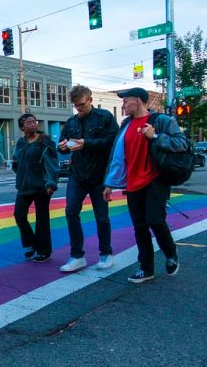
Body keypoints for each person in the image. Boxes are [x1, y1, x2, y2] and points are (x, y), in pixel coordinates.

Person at [103, 87, 187, 284]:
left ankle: (170, 252)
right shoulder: (125, 125)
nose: (123, 105)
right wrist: (109, 183)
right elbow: (117, 157)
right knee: (139, 227)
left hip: (155, 180)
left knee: (155, 220)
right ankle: (146, 268)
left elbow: (182, 143)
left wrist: (156, 137)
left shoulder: (162, 121)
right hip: (133, 184)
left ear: (138, 101)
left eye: (126, 101)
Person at [58, 86, 119, 272]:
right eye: (76, 106)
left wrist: (87, 144)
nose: (79, 109)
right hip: (77, 174)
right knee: (70, 212)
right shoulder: (71, 122)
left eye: (82, 105)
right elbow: (62, 145)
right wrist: (63, 147)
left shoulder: (105, 117)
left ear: (90, 100)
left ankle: (106, 253)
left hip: (99, 175)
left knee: (101, 216)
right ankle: (77, 255)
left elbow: (114, 141)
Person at [12, 113, 59, 263]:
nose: (33, 124)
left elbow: (52, 163)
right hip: (24, 186)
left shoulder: (45, 141)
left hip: (42, 187)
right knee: (19, 215)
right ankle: (32, 243)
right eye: (29, 122)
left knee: (42, 219)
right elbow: (16, 161)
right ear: (22, 127)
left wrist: (51, 183)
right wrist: (20, 173)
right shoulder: (20, 143)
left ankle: (44, 252)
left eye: (34, 122)